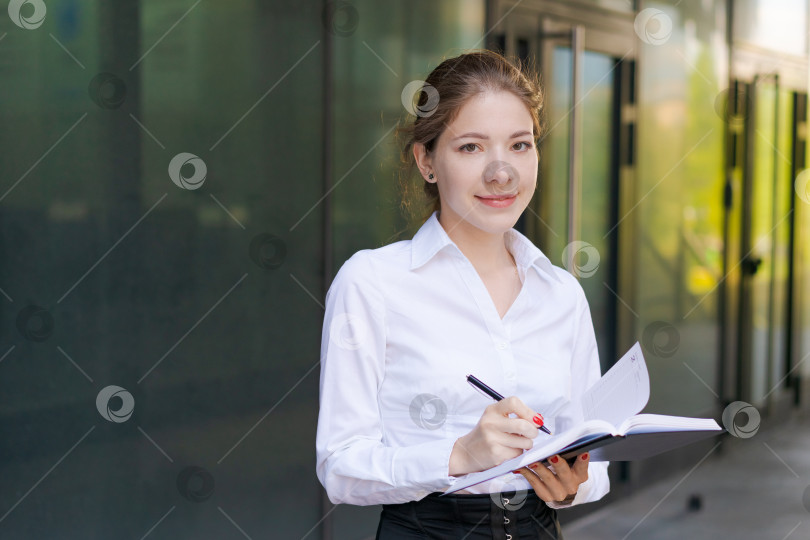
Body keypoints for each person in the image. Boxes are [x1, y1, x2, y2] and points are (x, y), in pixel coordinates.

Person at [316, 49, 610, 539]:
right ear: (427, 161)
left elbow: (595, 463)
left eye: (520, 145)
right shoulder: (372, 283)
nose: (502, 172)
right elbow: (341, 468)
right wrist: (459, 455)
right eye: (471, 148)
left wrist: (573, 483)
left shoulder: (561, 294)